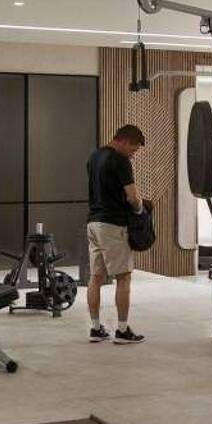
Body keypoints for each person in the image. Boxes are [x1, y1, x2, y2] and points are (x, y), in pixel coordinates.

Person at [86, 124, 147, 344]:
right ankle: (122, 331)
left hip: (93, 223)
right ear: (123, 140)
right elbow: (132, 197)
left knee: (96, 277)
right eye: (133, 149)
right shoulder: (120, 161)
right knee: (123, 276)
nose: (133, 154)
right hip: (113, 225)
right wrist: (140, 209)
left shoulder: (94, 157)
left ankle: (95, 328)